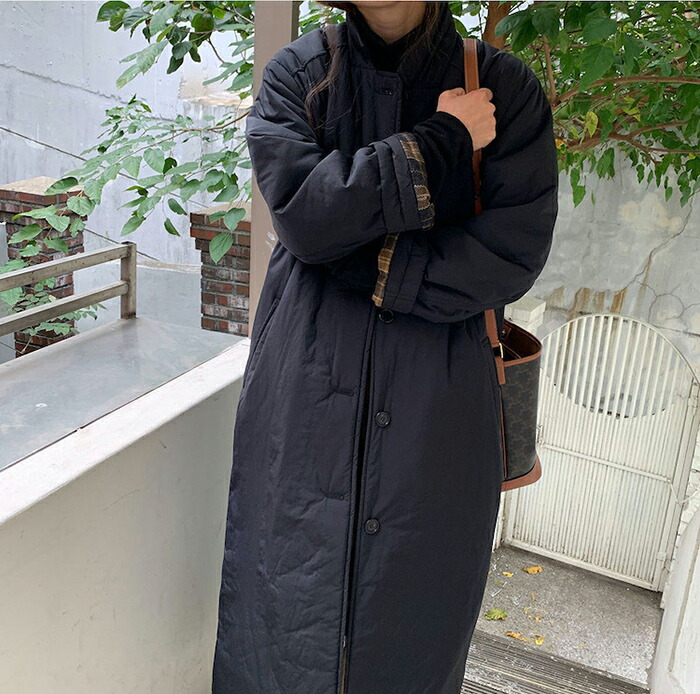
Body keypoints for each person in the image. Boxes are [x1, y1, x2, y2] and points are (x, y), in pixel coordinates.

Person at [211, 2, 559, 693]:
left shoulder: (504, 89)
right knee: (281, 619)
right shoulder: (298, 75)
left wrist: (374, 266)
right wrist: (439, 142)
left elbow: (511, 254)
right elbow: (305, 219)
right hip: (304, 396)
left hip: (439, 410)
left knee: (414, 623)